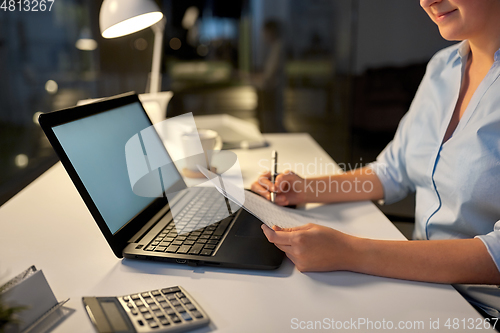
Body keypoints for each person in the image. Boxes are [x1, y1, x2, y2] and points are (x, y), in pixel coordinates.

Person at [251, 0, 500, 287]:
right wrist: (305, 189)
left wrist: (350, 252)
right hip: (423, 283)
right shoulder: (442, 67)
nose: (426, 1)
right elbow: (393, 170)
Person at [249, 20, 286, 133]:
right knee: (271, 123)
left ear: (271, 32)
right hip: (272, 90)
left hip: (272, 91)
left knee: (272, 125)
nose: (263, 36)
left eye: (264, 32)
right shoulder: (276, 47)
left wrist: (252, 78)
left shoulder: (278, 48)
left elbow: (269, 76)